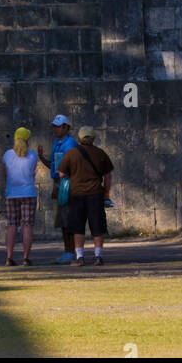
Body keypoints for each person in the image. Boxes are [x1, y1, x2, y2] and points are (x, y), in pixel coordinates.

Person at [57, 124, 114, 267]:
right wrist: (106, 193)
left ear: (79, 138)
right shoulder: (100, 153)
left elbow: (62, 174)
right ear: (93, 138)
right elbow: (108, 176)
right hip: (95, 194)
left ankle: (80, 257)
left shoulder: (71, 154)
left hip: (76, 194)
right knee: (97, 226)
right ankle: (98, 256)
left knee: (78, 227)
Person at [37, 114, 79, 264]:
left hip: (66, 185)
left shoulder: (70, 144)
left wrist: (61, 187)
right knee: (62, 221)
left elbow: (69, 169)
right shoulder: (57, 144)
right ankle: (67, 251)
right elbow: (56, 167)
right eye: (54, 126)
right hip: (58, 185)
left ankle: (72, 251)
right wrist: (42, 159)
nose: (55, 129)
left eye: (58, 126)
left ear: (66, 127)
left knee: (68, 220)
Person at [2, 127, 39, 266]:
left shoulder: (7, 155)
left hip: (11, 193)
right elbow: (32, 172)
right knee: (27, 225)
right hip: (28, 193)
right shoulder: (33, 156)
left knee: (12, 225)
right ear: (28, 140)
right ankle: (25, 257)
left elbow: (6, 173)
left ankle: (9, 257)